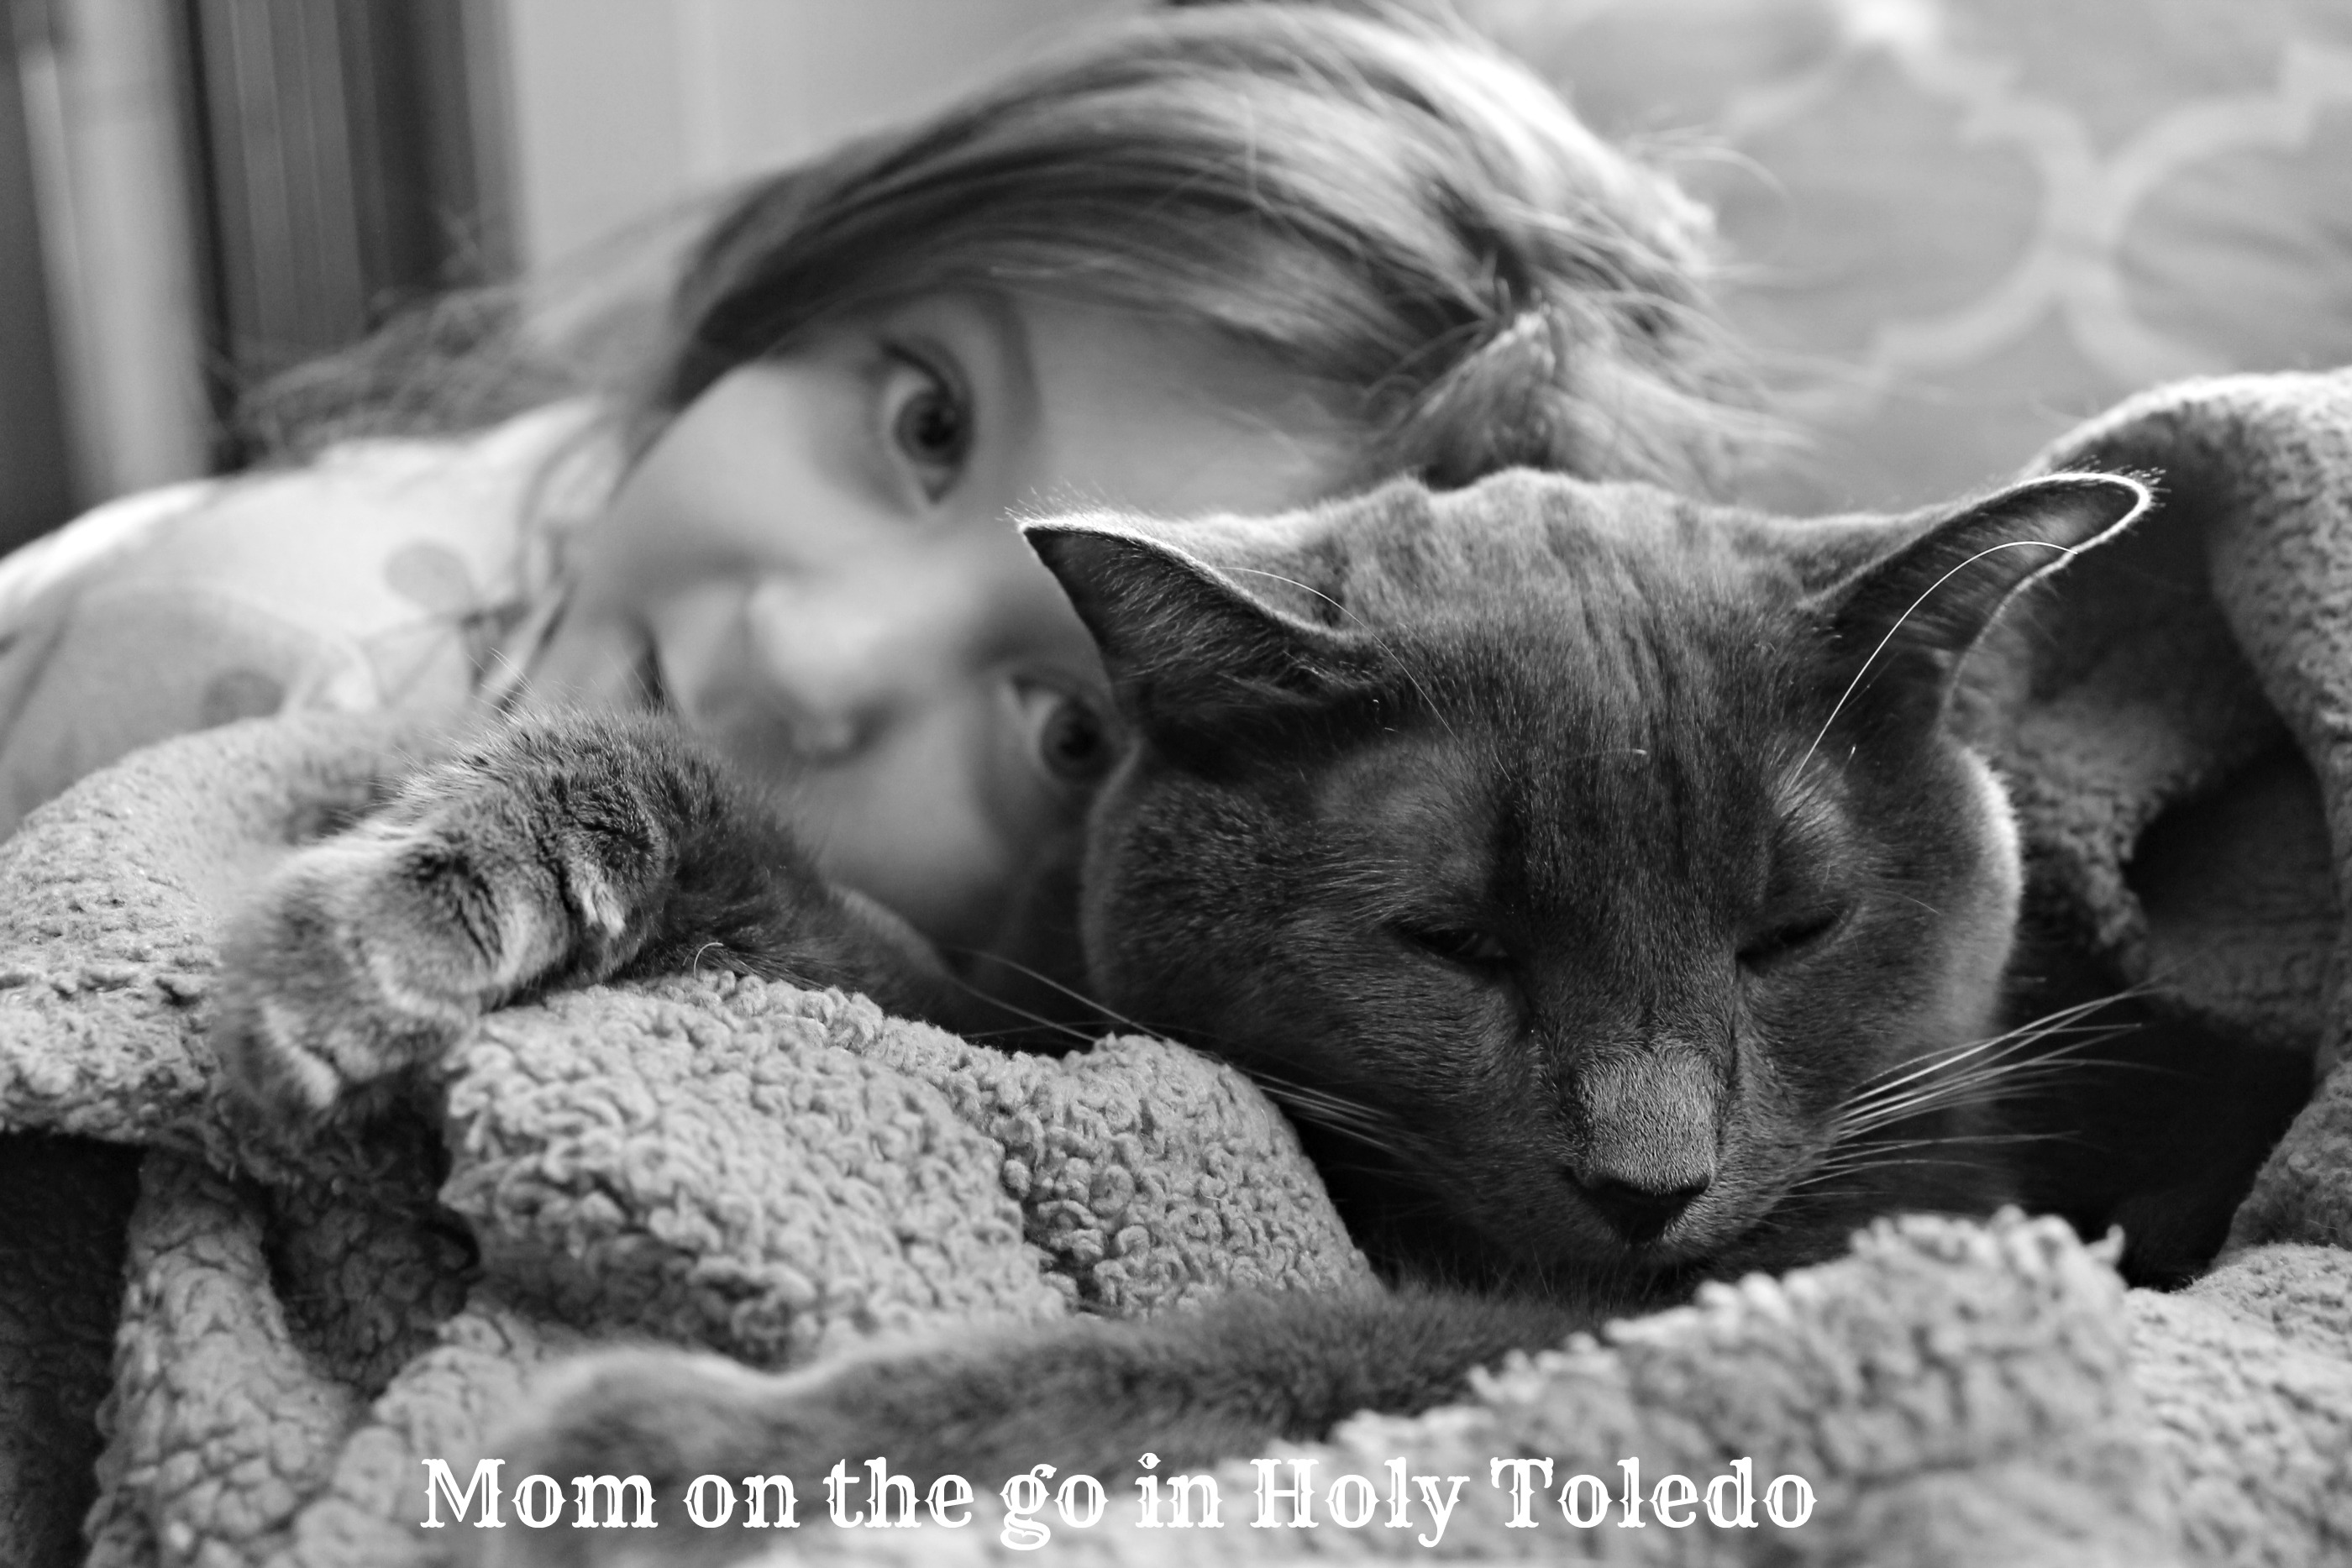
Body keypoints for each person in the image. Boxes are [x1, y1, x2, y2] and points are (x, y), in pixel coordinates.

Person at [0, 1, 1759, 1010]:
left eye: (1072, 729)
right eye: (927, 420)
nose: (813, 650)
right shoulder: (253, 667)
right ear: (813, 274)